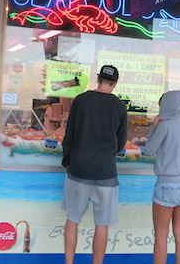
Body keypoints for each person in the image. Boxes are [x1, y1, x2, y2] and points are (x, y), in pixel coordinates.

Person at [61, 65, 128, 264]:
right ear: (115, 84)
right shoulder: (119, 106)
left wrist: (67, 161)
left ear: (98, 79)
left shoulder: (81, 100)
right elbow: (121, 142)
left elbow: (69, 135)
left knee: (73, 219)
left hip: (78, 168)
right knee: (102, 224)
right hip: (105, 171)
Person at [144, 90, 180, 264]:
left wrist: (153, 128)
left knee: (161, 236)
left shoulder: (164, 126)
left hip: (168, 185)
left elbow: (149, 151)